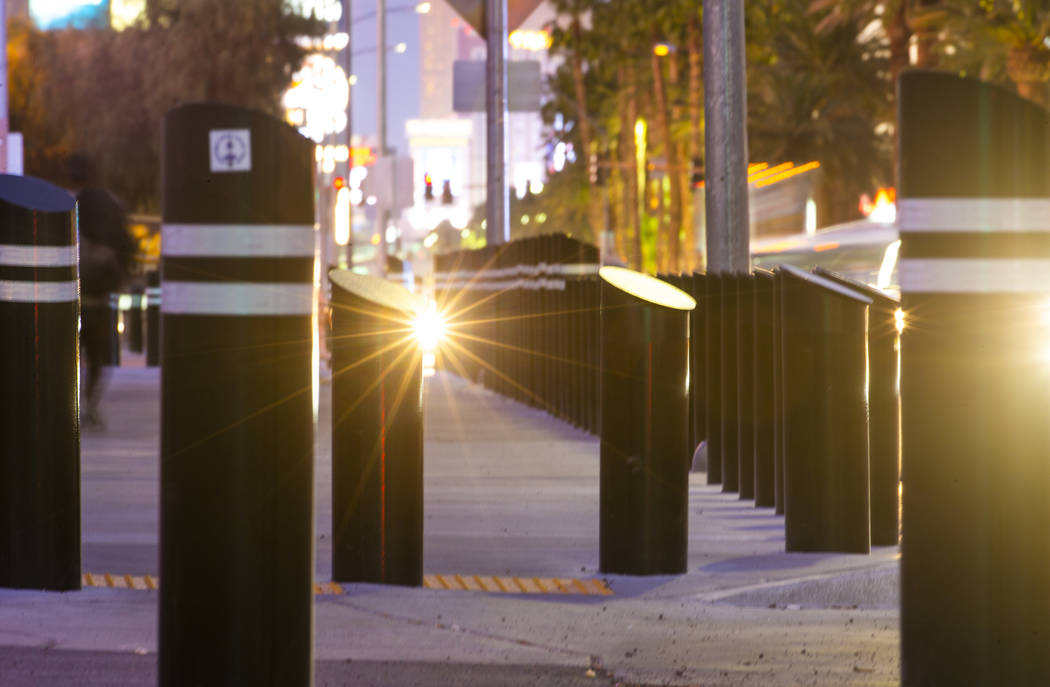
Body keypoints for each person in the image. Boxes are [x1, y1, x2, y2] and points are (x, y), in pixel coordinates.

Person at [68, 154, 134, 430]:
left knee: (69, 353)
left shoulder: (71, 203)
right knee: (97, 354)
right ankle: (89, 405)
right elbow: (128, 245)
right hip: (102, 294)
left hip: (73, 293)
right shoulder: (111, 204)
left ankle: (70, 405)